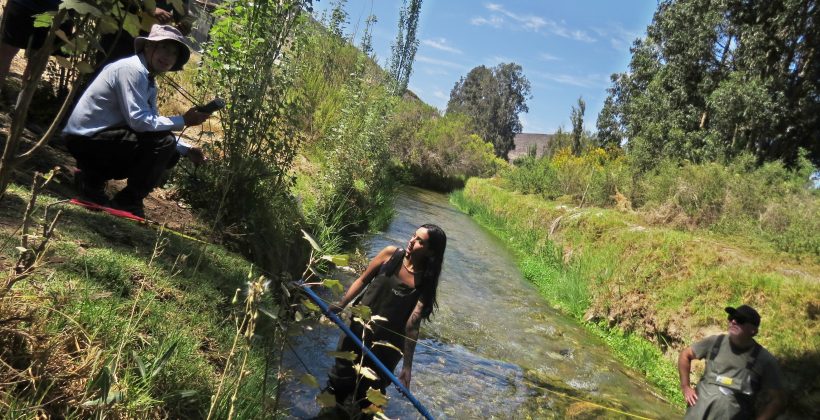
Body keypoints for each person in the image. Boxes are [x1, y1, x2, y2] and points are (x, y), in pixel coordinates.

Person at [62, 24, 209, 217]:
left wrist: (186, 149)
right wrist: (183, 120)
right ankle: (126, 200)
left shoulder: (146, 77)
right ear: (148, 47)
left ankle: (91, 179)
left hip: (98, 138)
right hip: (85, 139)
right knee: (164, 144)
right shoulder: (132, 70)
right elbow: (139, 121)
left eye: (173, 53)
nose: (167, 57)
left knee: (169, 149)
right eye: (163, 47)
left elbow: (151, 122)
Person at [324, 224, 447, 415]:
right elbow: (363, 279)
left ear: (431, 252)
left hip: (388, 348)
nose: (412, 241)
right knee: (339, 381)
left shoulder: (426, 281)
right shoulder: (391, 255)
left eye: (419, 241)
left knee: (369, 398)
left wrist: (407, 367)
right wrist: (342, 303)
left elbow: (413, 324)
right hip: (358, 330)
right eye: (413, 235)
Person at [678, 304, 785, 419]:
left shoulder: (765, 359)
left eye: (740, 320)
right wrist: (685, 387)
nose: (733, 321)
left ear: (753, 330)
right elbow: (685, 355)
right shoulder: (715, 342)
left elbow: (778, 400)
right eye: (731, 317)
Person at [0, 0, 70, 96]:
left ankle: (21, 107)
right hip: (22, 4)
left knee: (37, 61)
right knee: (5, 53)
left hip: (59, 11)